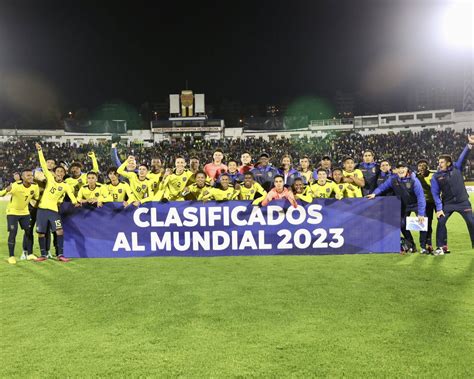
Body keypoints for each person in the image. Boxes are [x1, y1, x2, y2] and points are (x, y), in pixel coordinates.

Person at [34, 143, 80, 262]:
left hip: (53, 211)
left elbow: (71, 196)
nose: (59, 173)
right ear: (54, 173)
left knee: (59, 231)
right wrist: (40, 151)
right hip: (42, 210)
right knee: (41, 233)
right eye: (58, 171)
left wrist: (76, 202)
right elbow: (43, 164)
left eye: (62, 172)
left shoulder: (65, 186)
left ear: (64, 174)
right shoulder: (49, 178)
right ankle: (43, 255)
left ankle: (60, 255)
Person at [367, 161, 426, 253]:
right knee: (401, 224)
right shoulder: (393, 179)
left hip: (416, 204)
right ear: (396, 170)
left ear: (407, 169)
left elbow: (421, 197)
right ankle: (411, 245)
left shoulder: (414, 180)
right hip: (404, 205)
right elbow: (383, 187)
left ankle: (423, 247)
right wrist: (374, 193)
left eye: (403, 168)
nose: (401, 170)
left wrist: (421, 213)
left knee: (422, 224)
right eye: (399, 168)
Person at [431, 135, 474, 255]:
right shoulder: (436, 176)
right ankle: (441, 247)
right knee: (441, 222)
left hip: (463, 203)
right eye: (439, 162)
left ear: (449, 163)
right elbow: (435, 194)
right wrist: (439, 208)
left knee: (472, 222)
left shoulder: (457, 167)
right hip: (448, 204)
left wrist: (469, 145)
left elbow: (463, 157)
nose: (439, 164)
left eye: (442, 162)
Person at [0, 169, 39, 264]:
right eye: (28, 175)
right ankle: (11, 256)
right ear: (22, 177)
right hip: (12, 212)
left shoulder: (35, 186)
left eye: (31, 175)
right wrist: (6, 190)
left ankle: (30, 254)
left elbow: (36, 197)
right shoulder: (16, 186)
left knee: (29, 232)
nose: (30, 177)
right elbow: (1, 194)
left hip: (25, 212)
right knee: (13, 233)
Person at [416, 159, 436, 254]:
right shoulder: (416, 176)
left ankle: (439, 245)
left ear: (427, 166)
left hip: (434, 202)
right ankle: (427, 244)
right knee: (426, 224)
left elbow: (433, 188)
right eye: (419, 165)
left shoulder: (433, 175)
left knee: (436, 223)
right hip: (424, 203)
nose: (421, 167)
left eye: (423, 165)